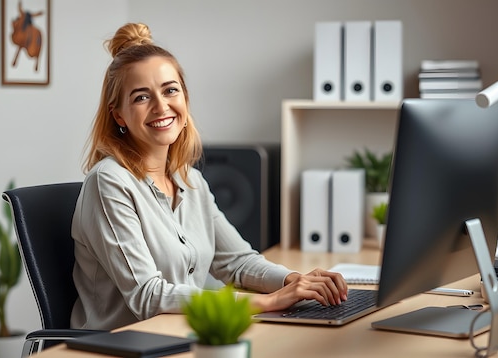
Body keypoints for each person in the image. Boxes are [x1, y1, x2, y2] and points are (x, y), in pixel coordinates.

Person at [70, 23, 348, 331]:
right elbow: (146, 296)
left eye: (170, 90)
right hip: (123, 344)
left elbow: (236, 262)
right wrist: (268, 302)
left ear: (185, 99)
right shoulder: (109, 182)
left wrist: (293, 280)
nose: (161, 106)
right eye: (141, 97)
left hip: (183, 334)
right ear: (118, 114)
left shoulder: (189, 180)